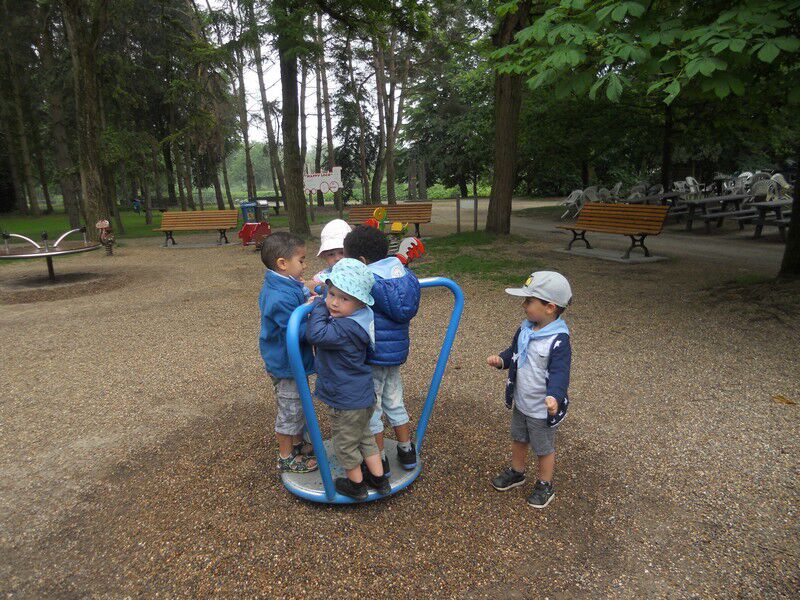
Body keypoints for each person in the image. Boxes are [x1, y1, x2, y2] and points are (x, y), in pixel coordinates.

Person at [486, 271, 573, 509]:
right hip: (522, 402)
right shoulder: (525, 329)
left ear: (550, 307)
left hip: (541, 409)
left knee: (543, 448)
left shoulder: (558, 340)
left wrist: (555, 397)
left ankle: (545, 484)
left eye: (529, 301)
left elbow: (560, 373)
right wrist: (501, 360)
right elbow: (513, 352)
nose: (524, 305)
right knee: (519, 438)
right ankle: (517, 471)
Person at [306, 258, 391, 500]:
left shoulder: (346, 328)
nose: (334, 302)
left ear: (360, 302)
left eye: (344, 299)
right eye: (332, 294)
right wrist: (327, 298)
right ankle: (379, 479)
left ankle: (356, 485)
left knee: (345, 444)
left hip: (345, 400)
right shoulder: (362, 317)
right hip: (362, 396)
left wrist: (319, 306)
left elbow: (316, 334)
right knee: (365, 437)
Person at [344, 225, 421, 475]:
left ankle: (380, 460)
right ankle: (407, 450)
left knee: (373, 409)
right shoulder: (403, 274)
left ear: (361, 261)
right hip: (394, 356)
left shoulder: (366, 279)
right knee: (395, 401)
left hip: (373, 355)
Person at [258, 231, 318, 474]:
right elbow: (297, 330)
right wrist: (316, 316)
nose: (305, 265)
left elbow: (301, 292)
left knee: (298, 404)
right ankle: (285, 456)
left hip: (291, 361)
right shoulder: (279, 296)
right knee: (290, 408)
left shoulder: (284, 283)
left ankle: (297, 443)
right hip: (286, 363)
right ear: (283, 264)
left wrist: (308, 293)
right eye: (301, 260)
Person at [312, 219, 351, 286]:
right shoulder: (320, 279)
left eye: (342, 253)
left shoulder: (361, 274)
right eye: (331, 254)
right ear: (324, 256)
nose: (337, 258)